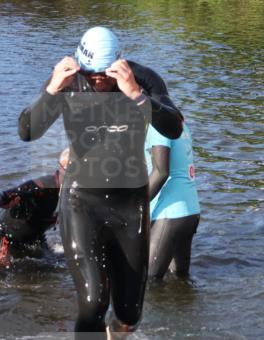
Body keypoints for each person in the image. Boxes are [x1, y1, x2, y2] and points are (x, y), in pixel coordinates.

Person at [18, 26, 183, 338]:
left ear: (118, 63)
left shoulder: (142, 80)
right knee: (94, 301)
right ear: (82, 65)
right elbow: (27, 131)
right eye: (93, 76)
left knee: (129, 313)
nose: (100, 83)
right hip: (82, 202)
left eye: (105, 76)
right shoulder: (68, 79)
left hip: (129, 205)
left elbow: (174, 127)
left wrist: (136, 95)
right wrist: (52, 90)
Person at [146, 123, 200, 279]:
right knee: (179, 281)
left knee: (148, 282)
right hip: (190, 210)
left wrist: (133, 206)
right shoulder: (179, 123)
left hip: (170, 212)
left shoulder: (157, 126)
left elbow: (161, 173)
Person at [0, 149, 69, 267]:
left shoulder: (76, 194)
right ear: (62, 169)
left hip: (35, 240)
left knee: (62, 263)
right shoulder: (40, 187)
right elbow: (4, 196)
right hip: (7, 239)